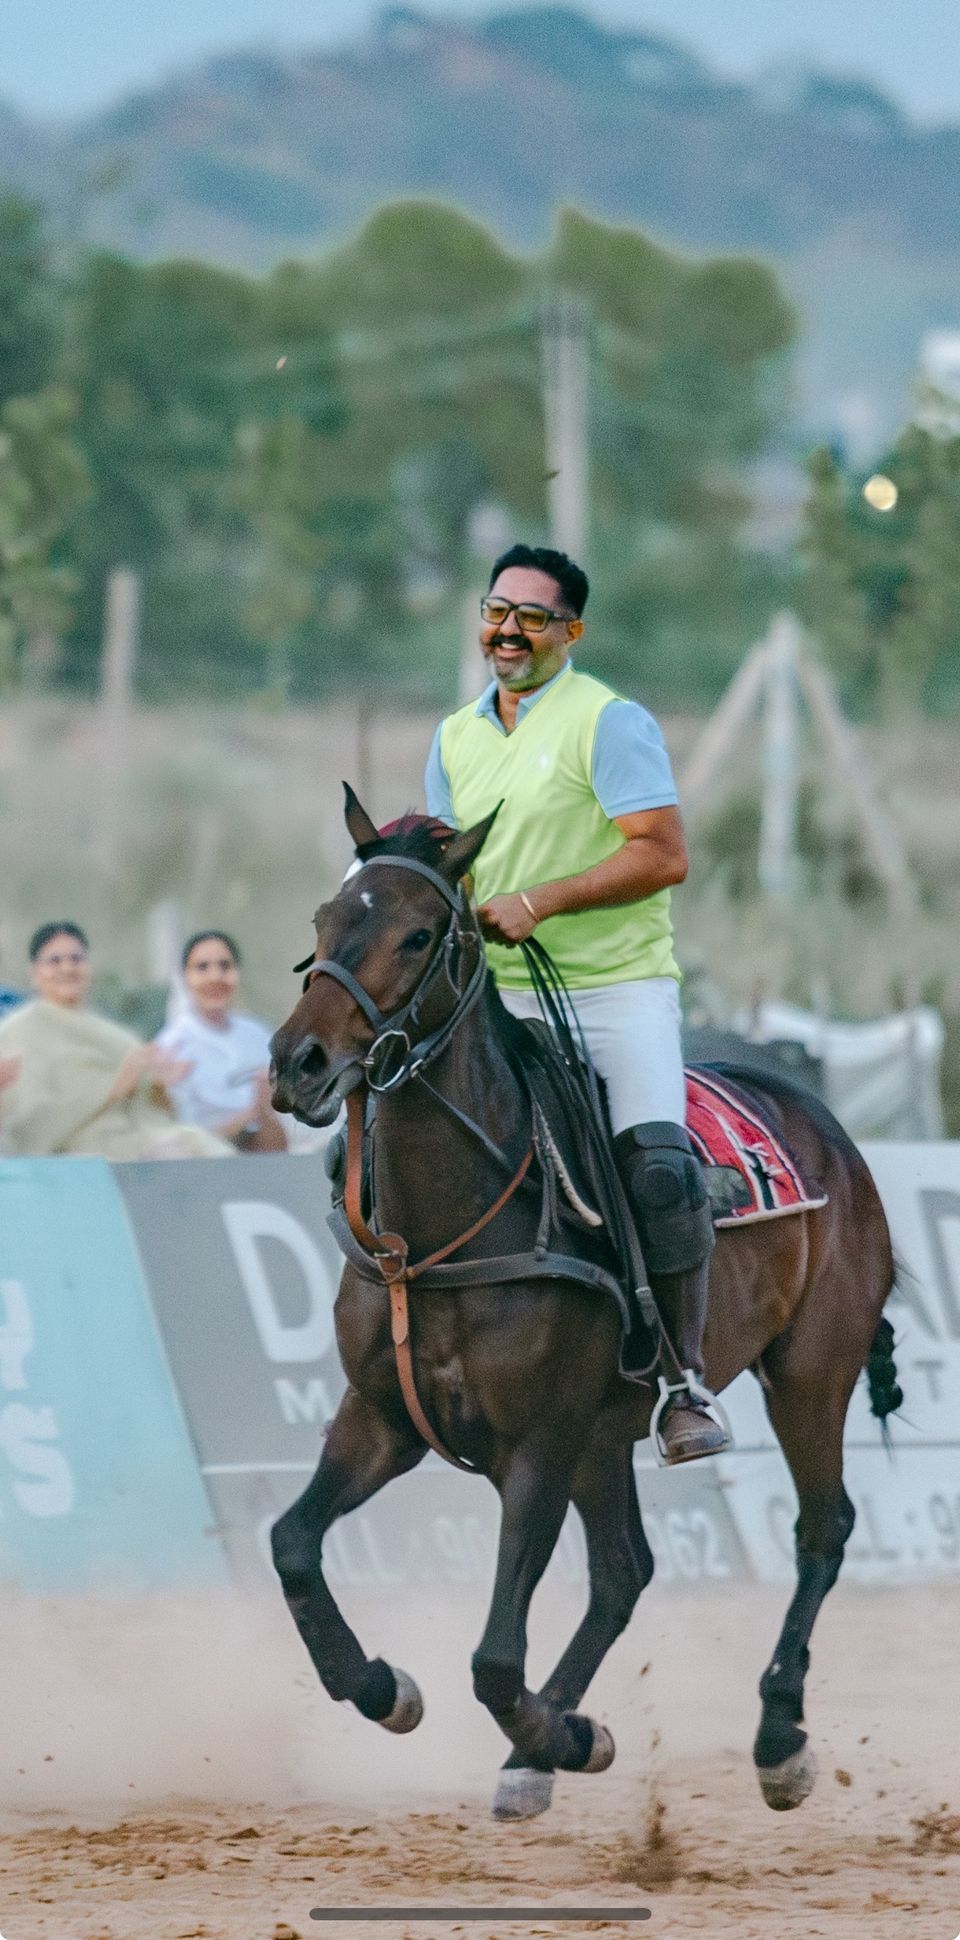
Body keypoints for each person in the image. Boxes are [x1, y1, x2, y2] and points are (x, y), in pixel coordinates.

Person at [425, 542, 728, 1464]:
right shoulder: (454, 736)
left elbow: (662, 853)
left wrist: (543, 901)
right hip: (493, 996)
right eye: (496, 610)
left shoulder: (610, 721)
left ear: (571, 633)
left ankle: (683, 1381)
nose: (508, 631)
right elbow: (447, 860)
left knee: (661, 1177)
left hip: (614, 992)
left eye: (533, 617)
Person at [0, 922, 229, 1159]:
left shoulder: (116, 1034)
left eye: (76, 959)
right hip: (85, 1150)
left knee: (205, 1146)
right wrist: (113, 1088)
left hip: (144, 1134)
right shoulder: (16, 1034)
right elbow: (27, 1127)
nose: (67, 968)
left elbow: (149, 1109)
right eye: (55, 961)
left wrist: (159, 1087)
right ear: (35, 973)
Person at [155, 930, 287, 1152]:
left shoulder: (258, 1034)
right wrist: (249, 1114)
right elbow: (182, 1138)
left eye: (225, 966)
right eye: (202, 967)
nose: (215, 977)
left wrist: (263, 1109)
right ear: (184, 977)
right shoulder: (172, 1046)